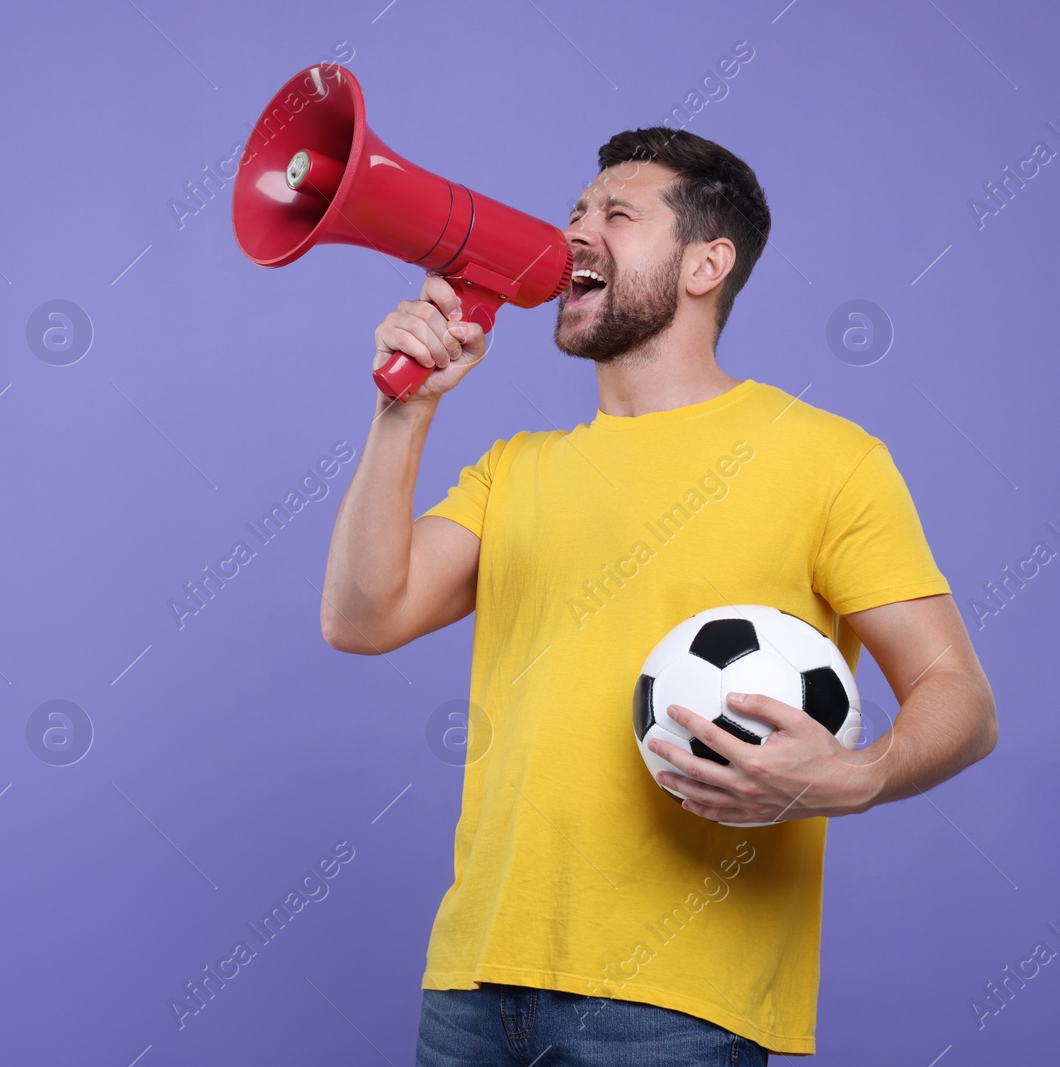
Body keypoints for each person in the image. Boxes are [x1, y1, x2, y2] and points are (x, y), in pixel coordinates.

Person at [319, 127, 998, 1063]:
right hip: (473, 980)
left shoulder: (830, 460)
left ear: (706, 263)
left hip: (674, 1006)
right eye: (574, 215)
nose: (575, 237)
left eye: (617, 215)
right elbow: (359, 617)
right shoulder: (514, 469)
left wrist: (860, 775)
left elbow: (961, 695)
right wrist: (407, 414)